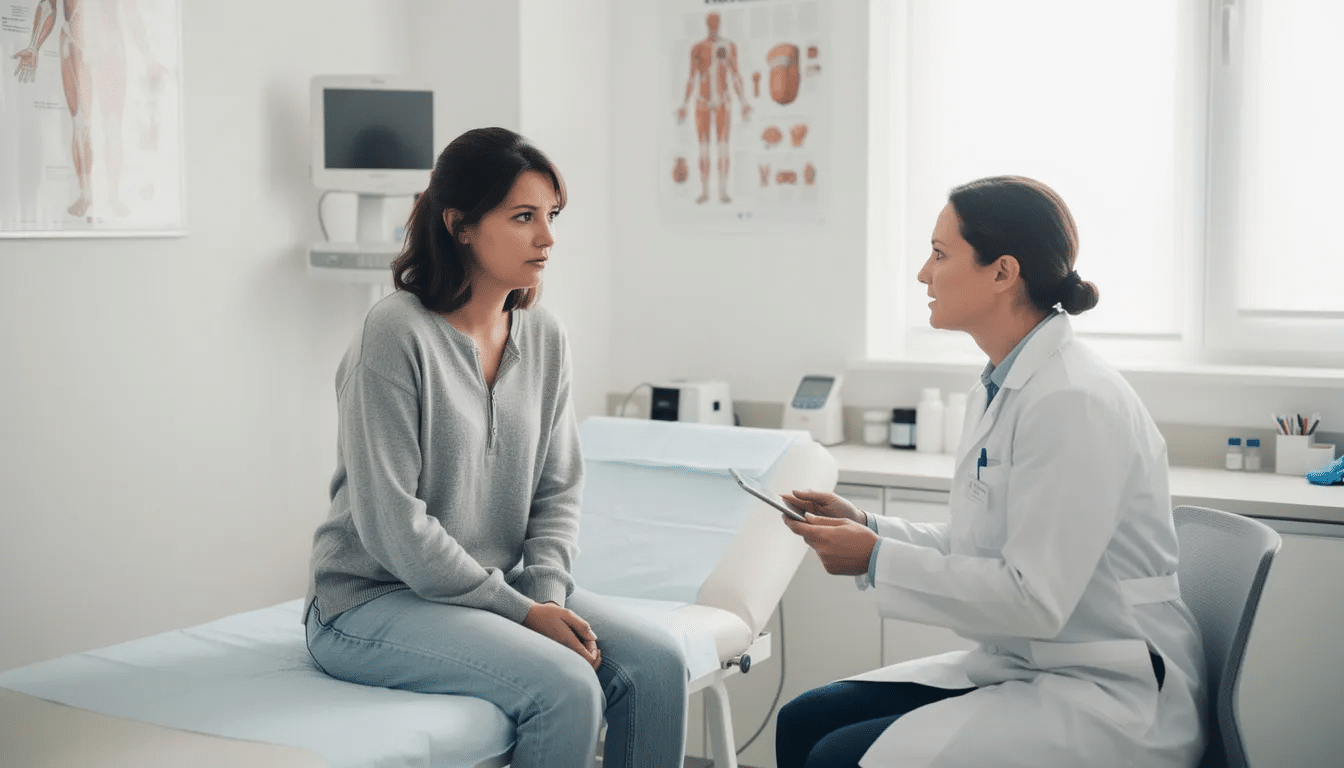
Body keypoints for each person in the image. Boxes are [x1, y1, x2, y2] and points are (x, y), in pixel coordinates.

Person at [774, 176, 1207, 768]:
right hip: (1036, 663)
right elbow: (982, 546)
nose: (922, 274)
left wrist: (874, 557)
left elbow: (1034, 599)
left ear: (1003, 273)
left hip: (1109, 687)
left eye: (940, 254)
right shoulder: (1002, 384)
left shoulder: (1072, 400)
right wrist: (869, 526)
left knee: (836, 756)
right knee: (804, 721)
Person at [302, 127, 687, 768]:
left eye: (552, 216)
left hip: (502, 588)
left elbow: (558, 489)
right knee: (563, 688)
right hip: (373, 600)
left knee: (658, 665)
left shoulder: (545, 336)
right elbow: (395, 528)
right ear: (461, 226)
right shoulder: (394, 334)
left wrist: (546, 598)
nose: (548, 237)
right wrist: (521, 613)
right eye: (524, 217)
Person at [676, 11, 751, 204]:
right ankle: (705, 192)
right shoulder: (697, 48)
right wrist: (684, 104)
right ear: (706, 24)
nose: (713, 25)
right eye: (710, 22)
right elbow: (692, 78)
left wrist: (744, 102)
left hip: (723, 101)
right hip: (701, 100)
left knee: (723, 146)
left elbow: (735, 75)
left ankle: (723, 192)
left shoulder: (729, 46)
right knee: (703, 147)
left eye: (716, 22)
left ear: (720, 23)